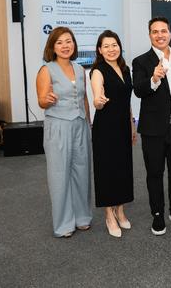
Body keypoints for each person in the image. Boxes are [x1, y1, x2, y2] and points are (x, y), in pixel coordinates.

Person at [132, 17, 171, 236]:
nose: (160, 35)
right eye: (155, 31)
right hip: (153, 130)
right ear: (149, 35)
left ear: (170, 33)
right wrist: (154, 78)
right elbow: (138, 90)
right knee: (155, 173)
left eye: (163, 31)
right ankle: (158, 214)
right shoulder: (141, 61)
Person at [35, 27, 92, 238]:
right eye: (59, 42)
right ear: (52, 47)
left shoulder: (80, 69)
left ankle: (82, 217)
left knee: (82, 172)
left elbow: (84, 98)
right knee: (59, 175)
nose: (65, 46)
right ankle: (64, 224)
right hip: (58, 125)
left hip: (80, 125)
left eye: (68, 41)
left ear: (74, 44)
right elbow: (41, 101)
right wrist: (46, 99)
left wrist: (89, 123)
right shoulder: (46, 70)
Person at [90, 30, 136, 238]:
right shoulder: (98, 71)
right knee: (107, 170)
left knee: (123, 168)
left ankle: (120, 210)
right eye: (106, 46)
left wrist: (132, 124)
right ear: (100, 50)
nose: (111, 49)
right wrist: (98, 101)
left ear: (119, 47)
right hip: (106, 128)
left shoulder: (125, 69)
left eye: (114, 45)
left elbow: (127, 101)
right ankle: (109, 214)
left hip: (123, 126)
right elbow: (97, 96)